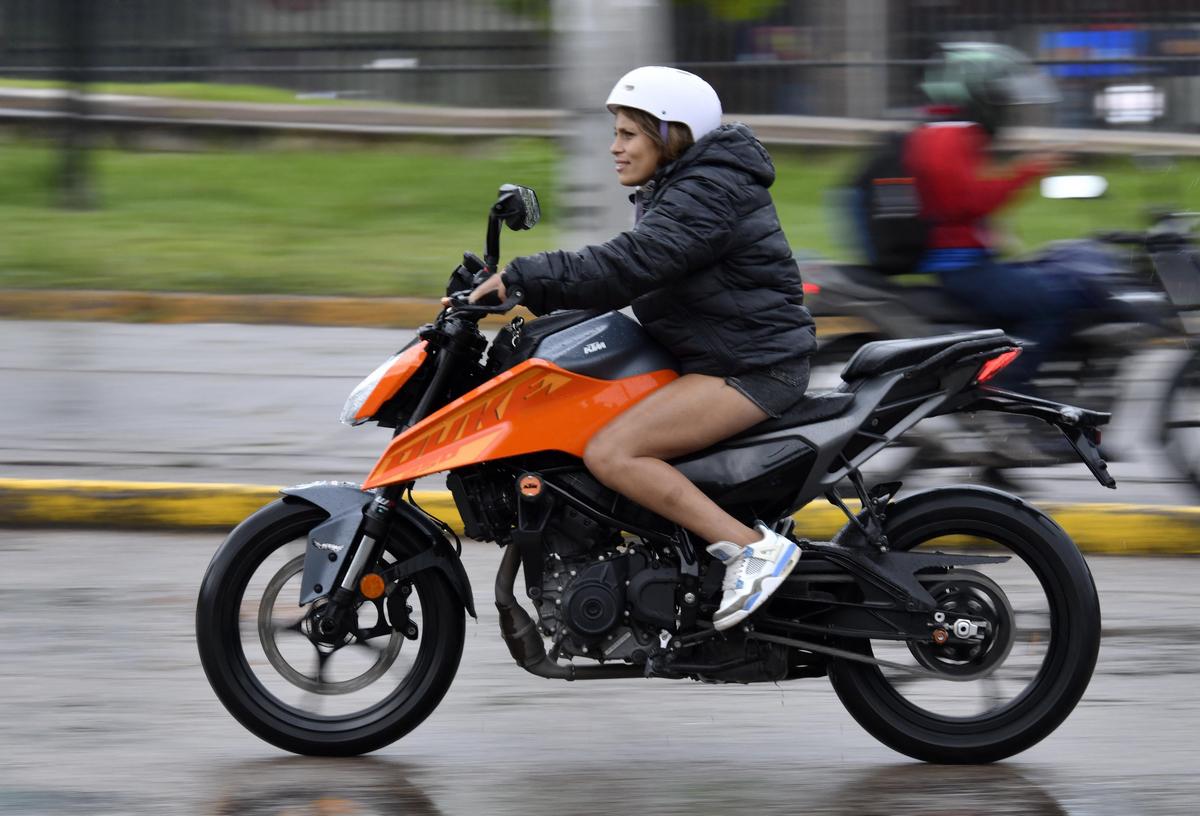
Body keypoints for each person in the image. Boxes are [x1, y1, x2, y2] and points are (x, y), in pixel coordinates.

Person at [461, 66, 816, 631]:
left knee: (614, 453)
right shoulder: (686, 182)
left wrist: (527, 278)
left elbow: (631, 263)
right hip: (713, 356)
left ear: (668, 133)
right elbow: (629, 263)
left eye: (628, 134)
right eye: (617, 133)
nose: (614, 147)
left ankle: (751, 550)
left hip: (750, 367)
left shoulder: (709, 189)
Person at [906, 42, 1090, 391]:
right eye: (999, 97)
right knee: (1053, 305)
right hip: (964, 268)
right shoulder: (951, 136)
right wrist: (1030, 169)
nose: (1004, 108)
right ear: (979, 93)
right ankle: (1009, 393)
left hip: (965, 263)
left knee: (1046, 284)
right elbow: (969, 202)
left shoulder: (938, 131)